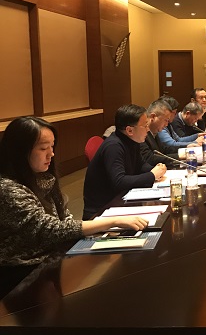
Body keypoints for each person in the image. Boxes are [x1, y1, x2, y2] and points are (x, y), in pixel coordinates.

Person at [0, 117, 148, 297]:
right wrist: (111, 222)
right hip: (23, 272)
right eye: (43, 148)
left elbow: (65, 218)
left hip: (53, 256)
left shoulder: (43, 177)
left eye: (52, 147)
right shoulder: (8, 189)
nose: (51, 154)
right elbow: (49, 229)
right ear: (20, 151)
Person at [83, 105, 167, 219]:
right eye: (145, 125)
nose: (148, 129)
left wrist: (155, 170)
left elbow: (140, 165)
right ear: (129, 130)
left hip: (121, 200)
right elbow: (119, 181)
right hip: (102, 210)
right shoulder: (113, 147)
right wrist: (152, 175)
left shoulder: (132, 140)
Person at [139, 100, 180, 167]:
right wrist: (181, 156)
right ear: (153, 117)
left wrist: (184, 151)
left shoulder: (154, 131)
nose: (166, 124)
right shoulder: (141, 134)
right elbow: (150, 159)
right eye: (166, 120)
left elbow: (163, 150)